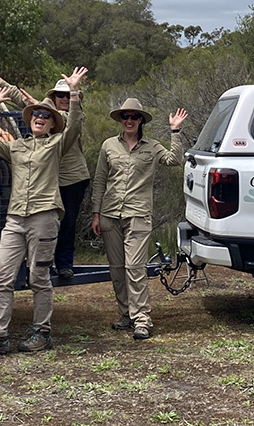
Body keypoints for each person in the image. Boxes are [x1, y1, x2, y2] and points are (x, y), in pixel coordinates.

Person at [0, 68, 87, 357]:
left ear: (51, 125)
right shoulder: (16, 146)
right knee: (2, 276)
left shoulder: (57, 144)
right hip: (15, 219)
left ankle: (42, 332)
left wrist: (73, 92)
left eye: (47, 116)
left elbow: (74, 127)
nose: (41, 117)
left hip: (44, 217)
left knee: (39, 277)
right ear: (29, 118)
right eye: (37, 114)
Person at [91, 99, 188, 340]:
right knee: (117, 270)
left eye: (134, 117)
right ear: (120, 119)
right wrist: (96, 213)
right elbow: (100, 180)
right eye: (125, 116)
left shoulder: (153, 147)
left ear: (141, 120)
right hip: (110, 215)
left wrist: (175, 131)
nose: (129, 120)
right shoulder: (108, 146)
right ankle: (125, 314)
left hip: (138, 215)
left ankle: (142, 319)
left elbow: (174, 160)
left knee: (135, 268)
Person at [0, 72, 91, 279]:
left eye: (68, 95)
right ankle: (42, 264)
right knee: (44, 222)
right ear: (55, 96)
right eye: (60, 95)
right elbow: (23, 99)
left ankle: (65, 263)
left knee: (67, 222)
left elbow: (68, 122)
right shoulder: (44, 112)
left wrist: (41, 106)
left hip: (72, 177)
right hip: (45, 178)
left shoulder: (75, 114)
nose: (65, 99)